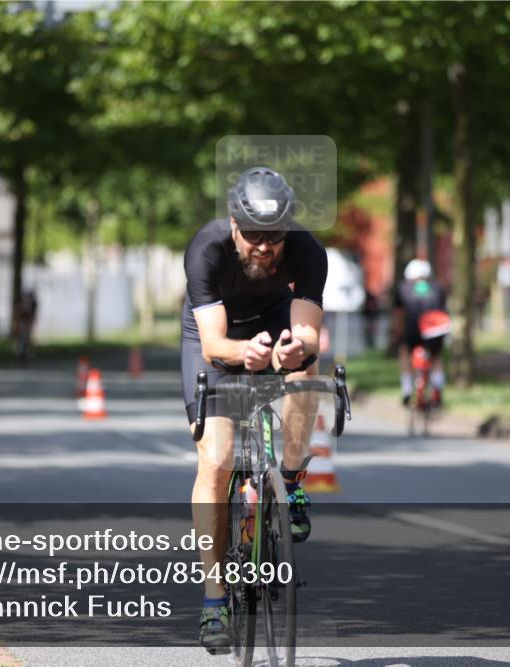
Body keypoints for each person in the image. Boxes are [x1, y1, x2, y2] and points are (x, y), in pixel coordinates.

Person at [181, 167, 327, 652]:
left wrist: (293, 351)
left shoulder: (307, 251)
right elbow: (213, 344)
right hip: (216, 333)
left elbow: (306, 332)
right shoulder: (207, 249)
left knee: (306, 375)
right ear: (233, 223)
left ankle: (288, 483)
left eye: (275, 236)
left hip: (274, 321)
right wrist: (243, 354)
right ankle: (214, 599)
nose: (265, 246)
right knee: (218, 460)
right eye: (254, 235)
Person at [394, 258, 448, 408]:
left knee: (406, 352)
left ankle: (407, 389)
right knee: (436, 356)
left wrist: (398, 333)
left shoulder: (404, 288)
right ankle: (437, 388)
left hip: (413, 328)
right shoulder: (437, 287)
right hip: (435, 329)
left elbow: (399, 313)